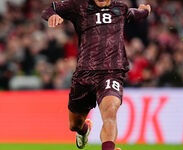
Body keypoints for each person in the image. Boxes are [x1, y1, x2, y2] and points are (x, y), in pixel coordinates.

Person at [42, 0, 151, 150]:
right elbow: (49, 9)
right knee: (74, 125)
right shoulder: (78, 5)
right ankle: (84, 130)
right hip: (84, 73)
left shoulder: (120, 8)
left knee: (110, 111)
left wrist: (145, 10)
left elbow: (136, 14)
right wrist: (52, 16)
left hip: (112, 72)